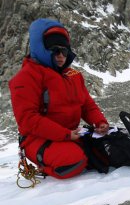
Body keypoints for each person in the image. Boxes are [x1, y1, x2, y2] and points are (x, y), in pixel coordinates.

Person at [9, 18, 109, 179]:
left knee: (108, 150)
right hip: (37, 139)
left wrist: (100, 122)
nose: (61, 56)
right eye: (55, 50)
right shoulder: (25, 78)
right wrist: (66, 134)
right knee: (73, 161)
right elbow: (28, 119)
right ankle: (44, 168)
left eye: (65, 50)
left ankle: (80, 152)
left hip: (71, 135)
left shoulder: (73, 75)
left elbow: (87, 105)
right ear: (41, 48)